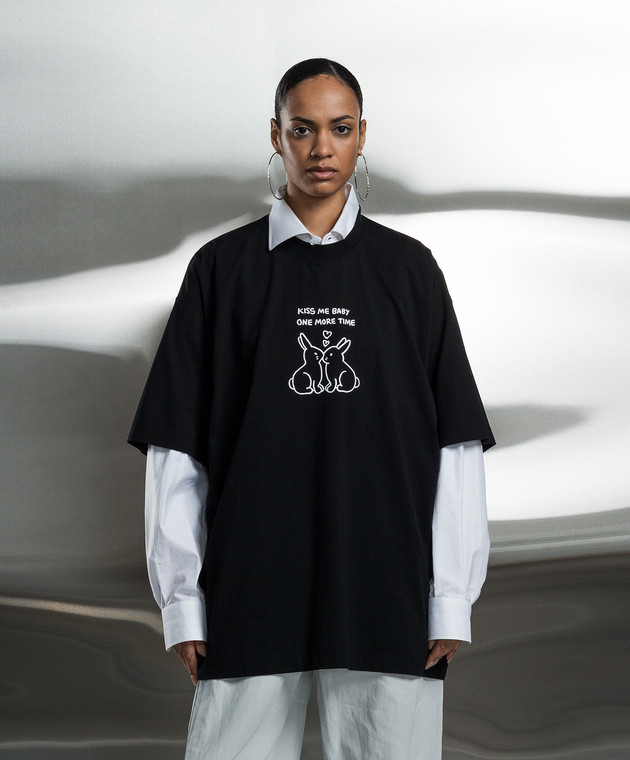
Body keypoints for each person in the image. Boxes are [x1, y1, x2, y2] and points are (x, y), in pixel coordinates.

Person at [128, 58, 495, 760]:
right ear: (276, 135)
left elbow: (454, 442)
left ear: (362, 136)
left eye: (340, 129)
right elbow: (178, 448)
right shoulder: (221, 270)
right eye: (302, 129)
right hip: (250, 581)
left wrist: (451, 594)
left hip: (387, 580)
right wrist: (182, 601)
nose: (322, 148)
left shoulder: (410, 270)